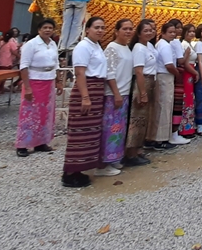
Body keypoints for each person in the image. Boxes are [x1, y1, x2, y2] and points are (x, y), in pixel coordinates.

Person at [62, 17, 107, 188]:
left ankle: (81, 168)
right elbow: (80, 72)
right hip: (87, 88)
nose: (100, 30)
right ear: (87, 29)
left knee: (90, 132)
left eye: (102, 28)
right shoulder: (83, 46)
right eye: (96, 27)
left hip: (97, 89)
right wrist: (85, 97)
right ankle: (70, 172)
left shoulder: (96, 46)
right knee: (79, 132)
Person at [16, 19, 61, 157]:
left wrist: (58, 81)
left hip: (49, 80)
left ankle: (41, 141)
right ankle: (23, 144)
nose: (48, 30)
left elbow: (56, 63)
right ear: (39, 29)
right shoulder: (31, 45)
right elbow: (24, 66)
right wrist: (27, 87)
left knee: (45, 113)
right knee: (30, 112)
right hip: (34, 80)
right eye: (45, 27)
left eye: (50, 28)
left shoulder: (53, 44)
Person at [95, 19, 135, 177]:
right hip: (114, 94)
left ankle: (114, 158)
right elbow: (109, 72)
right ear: (116, 31)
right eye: (125, 29)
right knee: (111, 129)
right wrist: (116, 93)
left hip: (124, 92)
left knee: (119, 129)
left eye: (131, 29)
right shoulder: (112, 48)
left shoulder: (126, 48)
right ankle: (103, 163)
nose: (128, 31)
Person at [125, 19, 156, 166]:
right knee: (136, 119)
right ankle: (130, 153)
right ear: (139, 33)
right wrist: (142, 92)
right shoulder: (138, 48)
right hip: (142, 83)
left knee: (144, 118)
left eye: (151, 30)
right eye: (146, 30)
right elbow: (138, 71)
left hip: (150, 82)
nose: (149, 33)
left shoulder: (149, 46)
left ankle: (138, 149)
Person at [146, 21, 180, 150]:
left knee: (160, 107)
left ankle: (155, 137)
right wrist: (178, 75)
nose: (173, 34)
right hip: (165, 76)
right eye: (170, 32)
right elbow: (169, 65)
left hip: (161, 75)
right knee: (164, 107)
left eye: (174, 32)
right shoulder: (165, 45)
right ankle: (161, 139)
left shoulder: (161, 44)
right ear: (163, 33)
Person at [0, 30, 19, 95]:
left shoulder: (2, 42)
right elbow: (14, 52)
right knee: (3, 77)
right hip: (7, 61)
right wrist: (20, 56)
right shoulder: (11, 43)